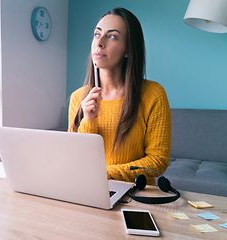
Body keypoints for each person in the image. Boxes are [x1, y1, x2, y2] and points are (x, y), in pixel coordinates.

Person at [68, 8, 171, 185]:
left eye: (112, 36)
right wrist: (88, 121)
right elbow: (75, 160)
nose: (99, 43)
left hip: (135, 194)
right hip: (87, 188)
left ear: (128, 50)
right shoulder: (78, 98)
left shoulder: (154, 95)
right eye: (96, 34)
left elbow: (157, 162)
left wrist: (105, 173)